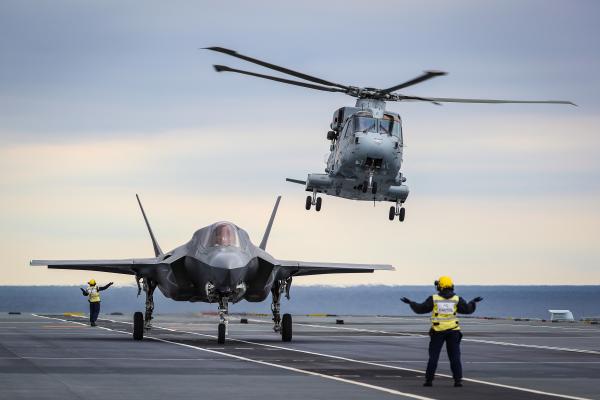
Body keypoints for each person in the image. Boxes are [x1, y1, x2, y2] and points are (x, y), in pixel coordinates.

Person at [401, 276, 483, 387]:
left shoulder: (434, 298)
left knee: (433, 357)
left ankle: (429, 381)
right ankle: (457, 381)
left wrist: (411, 303)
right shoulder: (457, 299)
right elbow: (467, 310)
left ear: (440, 286)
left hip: (437, 331)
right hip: (453, 331)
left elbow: (421, 309)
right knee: (455, 357)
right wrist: (473, 302)